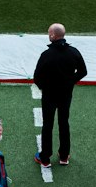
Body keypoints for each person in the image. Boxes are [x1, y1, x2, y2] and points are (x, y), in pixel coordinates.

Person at [32, 24, 88, 168]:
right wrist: (70, 82)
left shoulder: (46, 55)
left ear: (53, 36)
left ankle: (45, 158)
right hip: (65, 94)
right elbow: (83, 71)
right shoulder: (74, 52)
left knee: (47, 125)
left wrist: (45, 87)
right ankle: (64, 156)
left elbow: (37, 76)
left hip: (49, 95)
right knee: (64, 123)